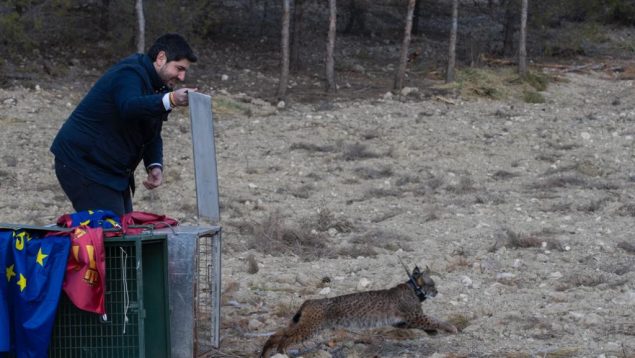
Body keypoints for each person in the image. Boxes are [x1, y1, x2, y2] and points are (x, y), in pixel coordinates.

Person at [50, 33, 198, 216]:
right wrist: (172, 99)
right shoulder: (129, 72)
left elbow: (152, 132)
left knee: (124, 232)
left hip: (112, 172)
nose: (182, 77)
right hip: (82, 164)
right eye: (179, 68)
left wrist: (154, 164)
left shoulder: (159, 87)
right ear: (161, 58)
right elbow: (129, 106)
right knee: (113, 234)